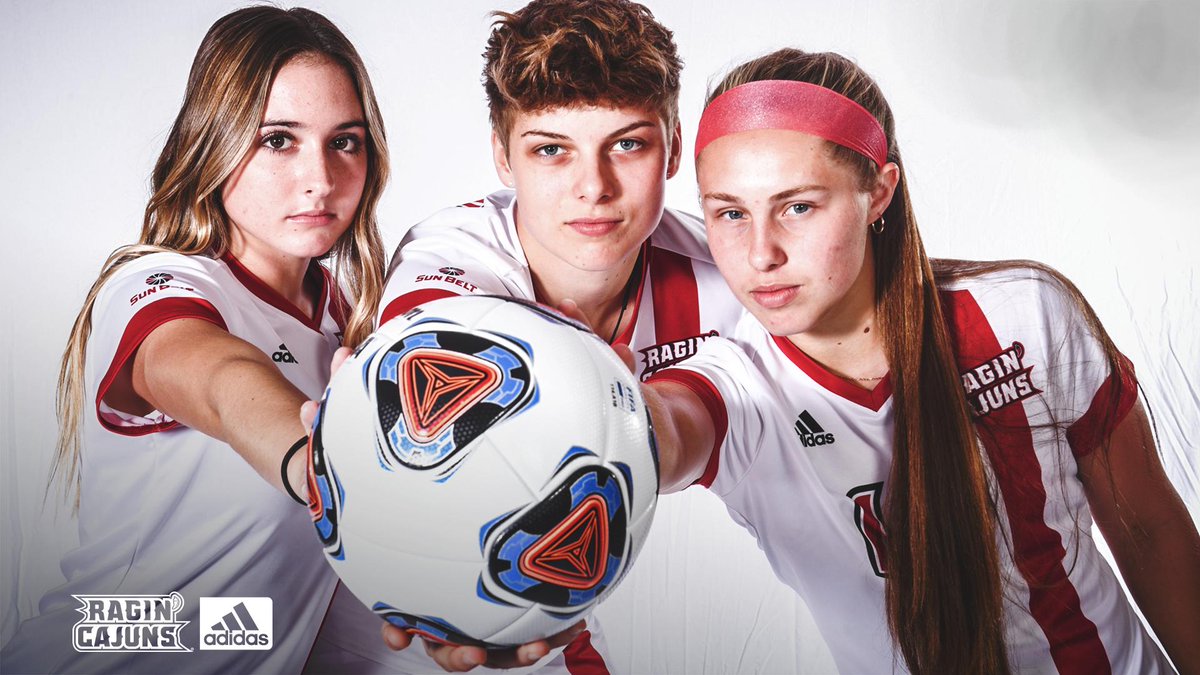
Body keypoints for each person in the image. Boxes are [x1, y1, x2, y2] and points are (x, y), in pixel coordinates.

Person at [637, 49, 1200, 674]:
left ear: (878, 193)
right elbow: (656, 434)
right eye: (731, 213)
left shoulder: (1024, 315)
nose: (761, 252)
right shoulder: (736, 385)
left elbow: (1148, 529)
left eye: (798, 206)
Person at [304, 1, 744, 673]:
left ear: (675, 147)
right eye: (550, 150)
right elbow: (427, 343)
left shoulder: (730, 273)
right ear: (502, 158)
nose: (592, 187)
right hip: (397, 621)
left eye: (628, 143)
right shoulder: (454, 253)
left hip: (573, 614)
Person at [0, 7, 389, 673]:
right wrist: (314, 460)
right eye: (277, 140)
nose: (319, 177)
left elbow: (264, 612)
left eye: (344, 141)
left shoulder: (345, 320)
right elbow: (216, 377)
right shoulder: (155, 285)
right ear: (215, 140)